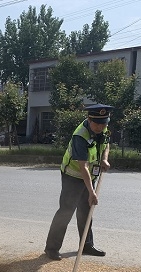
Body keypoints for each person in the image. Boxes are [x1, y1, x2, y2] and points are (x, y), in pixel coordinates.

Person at [44, 104, 112, 261]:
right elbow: (83, 166)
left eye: (104, 124)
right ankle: (51, 248)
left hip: (89, 176)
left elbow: (106, 143)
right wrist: (92, 192)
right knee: (66, 211)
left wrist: (104, 159)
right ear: (89, 119)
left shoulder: (103, 128)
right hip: (73, 176)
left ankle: (86, 244)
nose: (101, 127)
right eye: (97, 124)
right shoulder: (80, 136)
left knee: (86, 212)